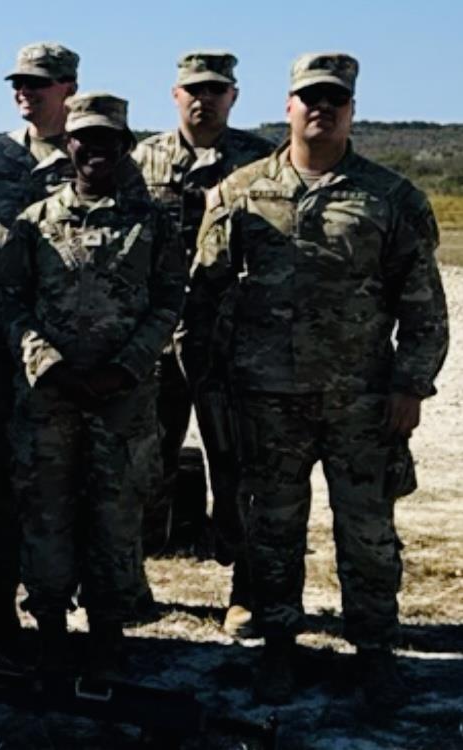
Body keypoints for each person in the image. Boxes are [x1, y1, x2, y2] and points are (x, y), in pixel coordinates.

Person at [186, 53, 448, 708]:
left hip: (361, 401)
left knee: (366, 532)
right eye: (308, 98)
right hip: (265, 400)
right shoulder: (239, 192)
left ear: (350, 110)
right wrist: (215, 387)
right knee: (271, 529)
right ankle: (278, 646)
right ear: (287, 107)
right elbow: (205, 299)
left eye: (333, 99)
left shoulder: (390, 199)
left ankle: (373, 649)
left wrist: (410, 386)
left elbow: (421, 306)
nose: (320, 109)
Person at [0, 92, 184, 678]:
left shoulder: (152, 224)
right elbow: (9, 303)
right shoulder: (34, 224)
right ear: (68, 145)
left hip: (123, 399)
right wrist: (49, 364)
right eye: (85, 139)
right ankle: (49, 628)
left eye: (108, 141)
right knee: (46, 515)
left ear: (124, 147)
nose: (96, 151)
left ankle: (108, 631)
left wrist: (127, 365)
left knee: (115, 517)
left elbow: (171, 299)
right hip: (49, 400)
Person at [131, 51, 273, 636]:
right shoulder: (142, 159)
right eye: (194, 89)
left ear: (233, 96)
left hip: (229, 345)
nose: (204, 99)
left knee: (239, 469)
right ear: (174, 94)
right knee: (143, 464)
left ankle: (246, 590)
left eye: (216, 89)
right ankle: (129, 583)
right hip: (157, 343)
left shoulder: (259, 160)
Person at [0, 41, 80, 648]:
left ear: (68, 88)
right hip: (5, 354)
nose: (25, 91)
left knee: (71, 486)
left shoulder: (96, 152)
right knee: (0, 484)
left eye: (39, 82)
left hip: (75, 354)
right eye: (19, 82)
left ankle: (65, 612)